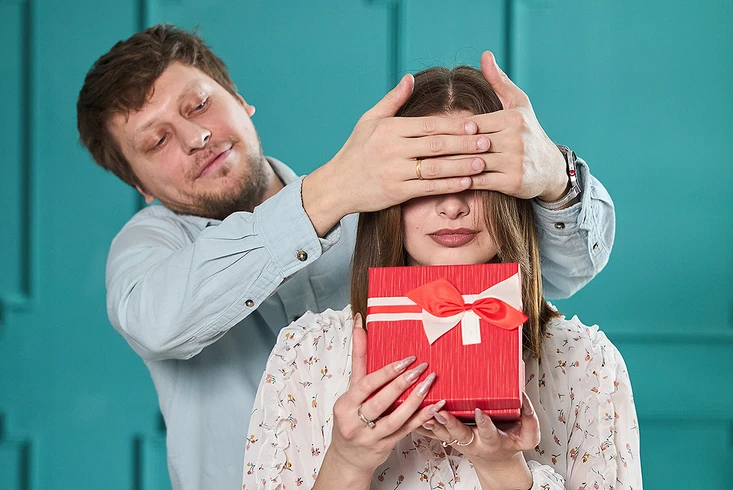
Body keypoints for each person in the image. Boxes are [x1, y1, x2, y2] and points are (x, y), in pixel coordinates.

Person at [76, 25, 615, 489]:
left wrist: (556, 176)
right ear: (138, 184)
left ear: (239, 99)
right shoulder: (153, 249)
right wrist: (330, 192)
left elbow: (559, 270)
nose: (196, 136)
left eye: (199, 105)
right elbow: (156, 321)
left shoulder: (383, 205)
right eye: (157, 141)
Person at [242, 66, 638, 490]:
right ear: (384, 196)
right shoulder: (305, 354)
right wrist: (347, 461)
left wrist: (503, 469)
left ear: (516, 189)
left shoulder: (584, 361)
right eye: (426, 179)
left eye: (477, 178)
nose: (452, 206)